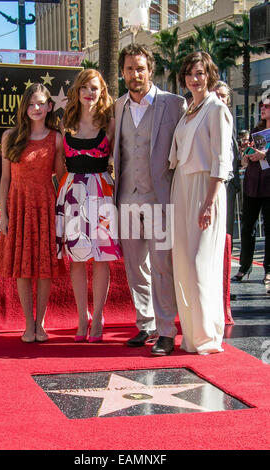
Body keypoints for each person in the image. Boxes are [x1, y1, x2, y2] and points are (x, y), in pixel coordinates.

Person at [113, 44, 186, 356]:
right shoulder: (118, 107)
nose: (135, 74)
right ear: (122, 72)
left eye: (140, 67)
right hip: (127, 196)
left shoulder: (173, 104)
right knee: (135, 267)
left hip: (159, 198)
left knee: (161, 265)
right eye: (129, 68)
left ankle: (167, 331)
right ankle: (146, 324)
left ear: (150, 69)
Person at [169, 51, 233, 355]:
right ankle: (193, 337)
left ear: (210, 75)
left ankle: (208, 336)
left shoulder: (216, 109)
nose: (195, 78)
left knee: (199, 265)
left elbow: (223, 159)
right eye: (190, 73)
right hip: (181, 187)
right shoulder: (188, 110)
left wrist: (209, 202)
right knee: (182, 263)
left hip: (205, 189)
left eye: (201, 73)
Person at [56, 69, 122, 343]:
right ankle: (83, 318)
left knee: (102, 258)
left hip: (102, 192)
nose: (89, 92)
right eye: (84, 87)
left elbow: (119, 160)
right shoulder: (65, 122)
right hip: (72, 194)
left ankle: (99, 316)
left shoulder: (110, 123)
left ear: (102, 92)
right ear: (77, 91)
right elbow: (59, 165)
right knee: (78, 259)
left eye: (94, 88)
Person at [0, 83, 64, 343]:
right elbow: (4, 179)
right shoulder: (10, 137)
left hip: (46, 207)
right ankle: (28, 324)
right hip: (18, 206)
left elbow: (60, 177)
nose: (36, 108)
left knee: (45, 268)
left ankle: (41, 323)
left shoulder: (56, 138)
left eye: (41, 103)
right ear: (24, 107)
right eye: (31, 104)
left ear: (49, 106)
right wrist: (4, 214)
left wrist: (62, 213)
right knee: (22, 268)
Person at [232, 95, 270, 284]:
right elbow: (246, 160)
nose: (263, 109)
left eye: (267, 106)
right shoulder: (256, 131)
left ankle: (268, 270)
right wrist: (246, 151)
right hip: (253, 185)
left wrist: (265, 155)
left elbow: (265, 156)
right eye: (262, 106)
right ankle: (244, 267)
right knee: (248, 228)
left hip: (268, 186)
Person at [213, 81, 241, 243]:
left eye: (223, 96)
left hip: (228, 183)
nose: (220, 99)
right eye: (216, 95)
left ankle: (226, 267)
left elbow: (233, 152)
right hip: (209, 183)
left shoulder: (228, 120)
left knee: (226, 231)